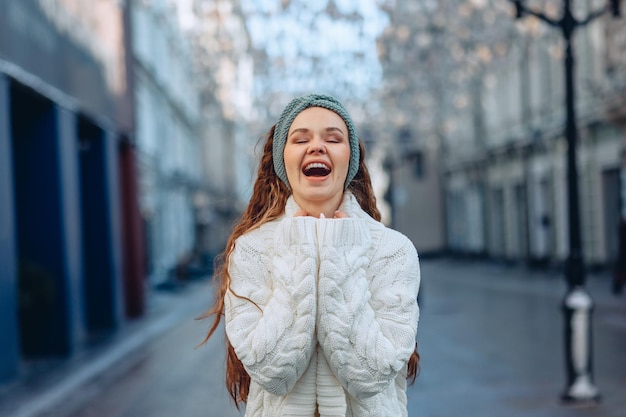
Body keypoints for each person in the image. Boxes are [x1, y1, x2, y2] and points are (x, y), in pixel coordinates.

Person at [201, 94, 421, 417]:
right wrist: (298, 250)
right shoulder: (251, 250)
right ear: (282, 159)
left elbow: (371, 374)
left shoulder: (394, 251)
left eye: (333, 138)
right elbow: (273, 372)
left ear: (351, 158)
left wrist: (341, 253)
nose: (317, 147)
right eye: (300, 139)